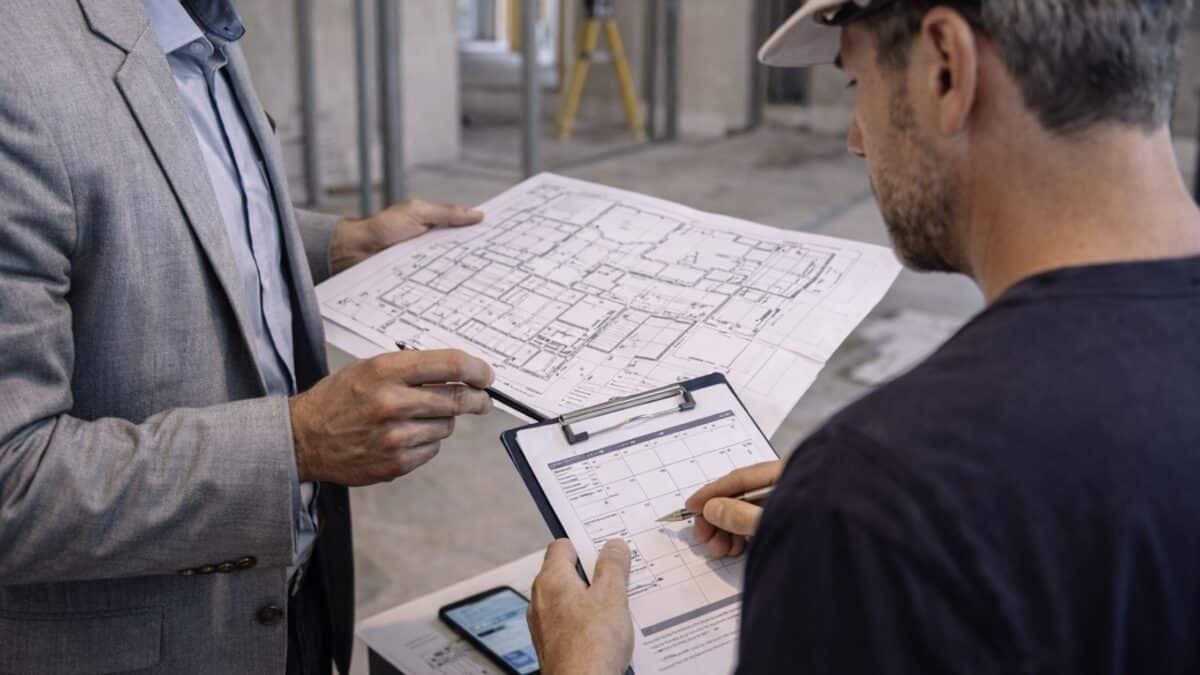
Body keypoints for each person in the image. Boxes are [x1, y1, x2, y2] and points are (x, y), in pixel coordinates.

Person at [527, 0, 1200, 672]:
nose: (856, 136)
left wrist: (866, 522)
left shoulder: (883, 495)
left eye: (857, 82)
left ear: (945, 68)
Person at [0, 1, 494, 673]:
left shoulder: (195, 22)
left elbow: (184, 203)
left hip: (292, 598)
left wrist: (339, 245)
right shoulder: (18, 71)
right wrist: (297, 442)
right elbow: (13, 482)